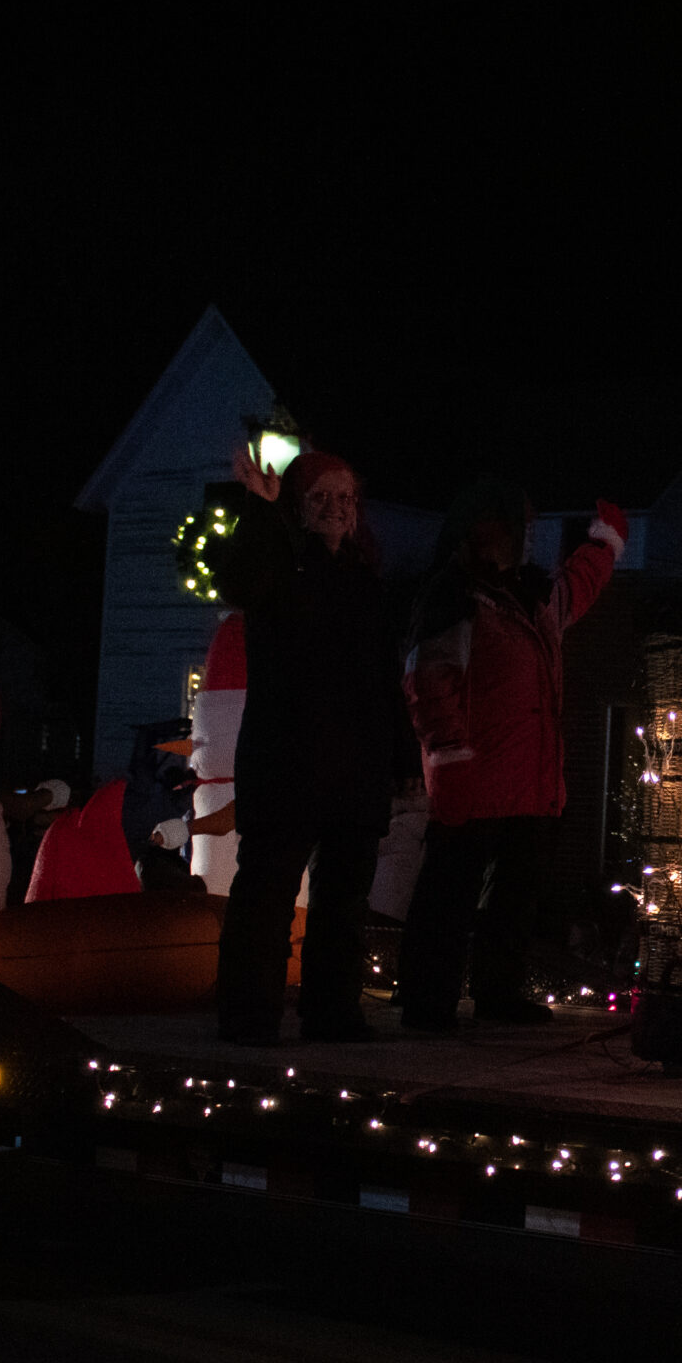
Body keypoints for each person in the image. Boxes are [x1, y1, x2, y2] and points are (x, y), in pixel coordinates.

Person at [395, 478, 626, 1029]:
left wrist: (604, 546)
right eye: (521, 524)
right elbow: (429, 681)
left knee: (514, 895)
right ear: (487, 528)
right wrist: (450, 756)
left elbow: (577, 586)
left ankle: (496, 992)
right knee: (451, 892)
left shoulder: (530, 597)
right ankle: (428, 1000)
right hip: (477, 775)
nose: (529, 535)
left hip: (527, 778)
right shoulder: (456, 598)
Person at [205, 445, 409, 1046]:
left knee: (344, 902)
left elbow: (385, 676)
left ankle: (332, 1011)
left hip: (355, 766)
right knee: (267, 896)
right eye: (320, 496)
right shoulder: (280, 564)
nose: (336, 507)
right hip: (288, 760)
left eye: (345, 497)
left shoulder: (366, 581)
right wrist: (261, 510)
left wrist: (402, 757)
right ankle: (248, 1015)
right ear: (298, 504)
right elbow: (239, 580)